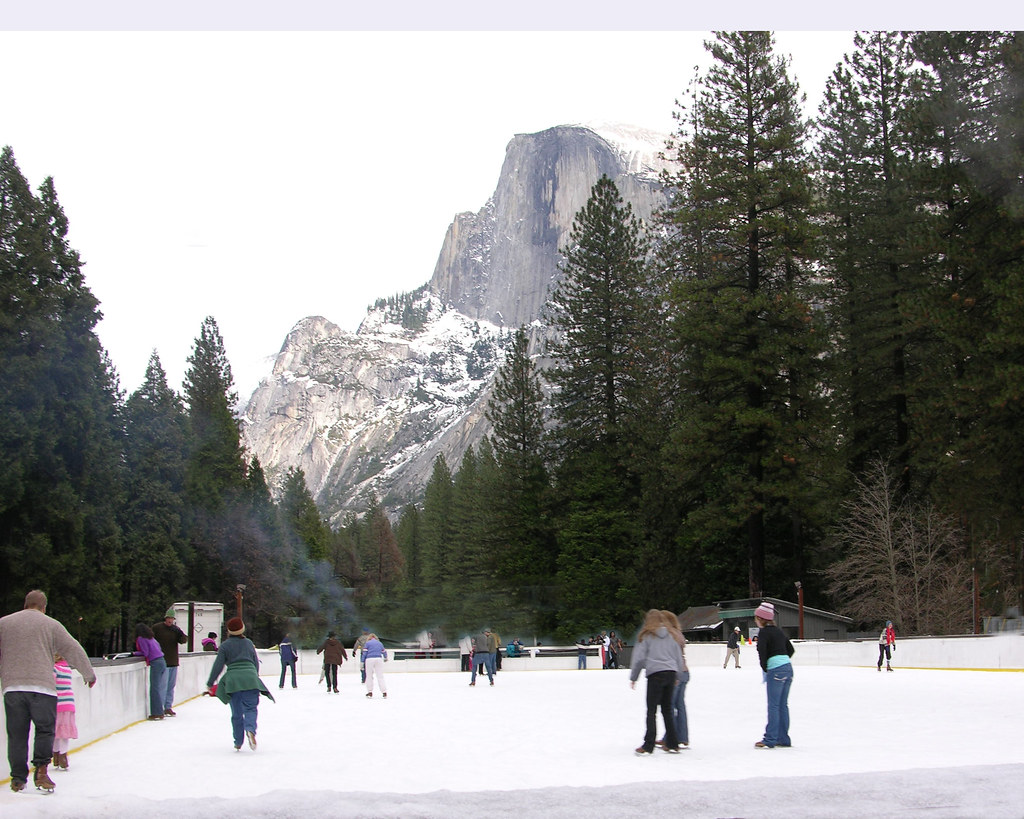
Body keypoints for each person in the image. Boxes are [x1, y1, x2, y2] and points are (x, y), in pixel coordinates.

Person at [0, 590, 96, 793]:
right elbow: (72, 648)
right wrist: (88, 673)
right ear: (44, 607)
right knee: (44, 731)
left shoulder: (4, 623)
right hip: (43, 687)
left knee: (17, 734)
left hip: (13, 687)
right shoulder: (51, 624)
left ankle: (18, 778)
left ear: (25, 604)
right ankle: (41, 773)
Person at [206, 617, 274, 751]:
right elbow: (255, 662)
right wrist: (255, 676)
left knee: (236, 713)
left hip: (233, 681)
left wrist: (210, 682)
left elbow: (218, 665)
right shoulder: (248, 643)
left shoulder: (225, 645)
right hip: (250, 678)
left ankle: (238, 741)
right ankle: (250, 729)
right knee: (251, 708)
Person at [629, 609, 684, 755]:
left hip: (655, 675)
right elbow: (678, 656)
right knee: (667, 710)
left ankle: (648, 745)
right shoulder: (671, 635)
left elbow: (639, 659)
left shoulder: (647, 637)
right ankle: (672, 743)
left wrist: (634, 677)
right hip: (671, 674)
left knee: (651, 711)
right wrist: (677, 675)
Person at [753, 601, 795, 749]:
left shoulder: (764, 633)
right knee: (783, 705)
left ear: (760, 619)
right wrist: (782, 660)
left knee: (774, 705)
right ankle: (784, 739)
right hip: (788, 669)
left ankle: (770, 739)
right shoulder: (779, 631)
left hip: (775, 670)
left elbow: (762, 653)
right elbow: (791, 650)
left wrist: (767, 668)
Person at [659, 610, 690, 749]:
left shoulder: (669, 634)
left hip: (675, 672)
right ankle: (682, 736)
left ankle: (670, 738)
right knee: (680, 706)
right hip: (685, 671)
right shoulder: (678, 633)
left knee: (669, 706)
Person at [152, 608, 187, 717]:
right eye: (168, 618)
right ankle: (161, 707)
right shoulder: (157, 628)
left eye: (171, 619)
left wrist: (180, 633)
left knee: (171, 686)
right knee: (163, 685)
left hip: (173, 661)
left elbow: (184, 640)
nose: (170, 621)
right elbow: (151, 640)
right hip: (163, 661)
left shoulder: (175, 630)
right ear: (165, 618)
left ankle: (168, 706)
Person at [134, 623, 168, 721]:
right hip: (162, 661)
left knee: (154, 688)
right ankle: (159, 711)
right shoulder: (152, 638)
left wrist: (134, 653)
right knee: (157, 687)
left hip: (155, 663)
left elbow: (145, 653)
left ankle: (157, 712)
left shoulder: (141, 638)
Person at [51, 654, 78, 770]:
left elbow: (51, 683)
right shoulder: (67, 669)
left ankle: (56, 756)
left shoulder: (54, 669)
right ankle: (63, 756)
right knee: (64, 731)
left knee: (55, 731)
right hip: (69, 704)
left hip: (57, 703)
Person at [361, 632, 388, 698]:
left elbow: (364, 653)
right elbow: (384, 651)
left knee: (369, 676)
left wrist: (362, 662)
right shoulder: (379, 643)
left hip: (369, 659)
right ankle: (384, 692)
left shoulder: (367, 643)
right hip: (378, 659)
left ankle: (370, 692)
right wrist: (385, 657)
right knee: (380, 676)